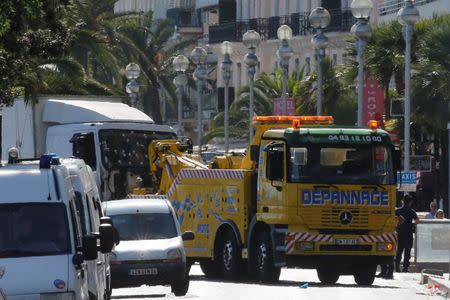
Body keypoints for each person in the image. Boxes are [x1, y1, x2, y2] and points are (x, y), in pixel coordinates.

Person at [395, 195, 419, 273]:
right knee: (407, 251)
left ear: (403, 201)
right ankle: (405, 268)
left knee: (399, 250)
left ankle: (397, 267)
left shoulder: (398, 211)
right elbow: (417, 221)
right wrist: (412, 225)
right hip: (408, 234)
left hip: (400, 233)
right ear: (410, 202)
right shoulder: (412, 211)